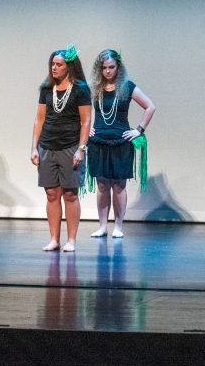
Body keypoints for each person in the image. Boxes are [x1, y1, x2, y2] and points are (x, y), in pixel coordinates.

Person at [86, 49, 156, 239]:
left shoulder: (127, 87)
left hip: (121, 143)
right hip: (98, 142)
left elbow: (150, 106)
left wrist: (139, 130)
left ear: (118, 67)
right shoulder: (95, 88)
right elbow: (80, 111)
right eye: (104, 68)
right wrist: (85, 128)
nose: (108, 71)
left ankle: (118, 226)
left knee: (118, 186)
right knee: (101, 185)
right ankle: (102, 226)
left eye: (111, 67)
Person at [30, 44, 91, 252]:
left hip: (70, 146)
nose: (54, 68)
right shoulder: (47, 89)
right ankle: (54, 239)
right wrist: (34, 148)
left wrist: (81, 148)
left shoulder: (81, 89)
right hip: (47, 146)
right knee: (51, 194)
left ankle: (71, 240)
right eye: (52, 64)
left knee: (70, 194)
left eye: (58, 65)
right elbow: (39, 119)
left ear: (69, 67)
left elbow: (86, 121)